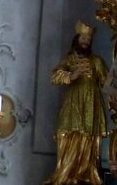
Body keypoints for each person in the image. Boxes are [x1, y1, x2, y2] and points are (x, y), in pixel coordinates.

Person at [44, 22, 107, 185]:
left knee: (88, 138)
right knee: (68, 134)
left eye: (88, 39)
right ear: (77, 39)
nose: (86, 41)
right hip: (73, 104)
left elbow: (108, 82)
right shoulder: (69, 59)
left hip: (92, 106)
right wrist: (71, 76)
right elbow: (54, 76)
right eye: (83, 38)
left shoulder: (97, 62)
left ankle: (86, 172)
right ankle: (65, 173)